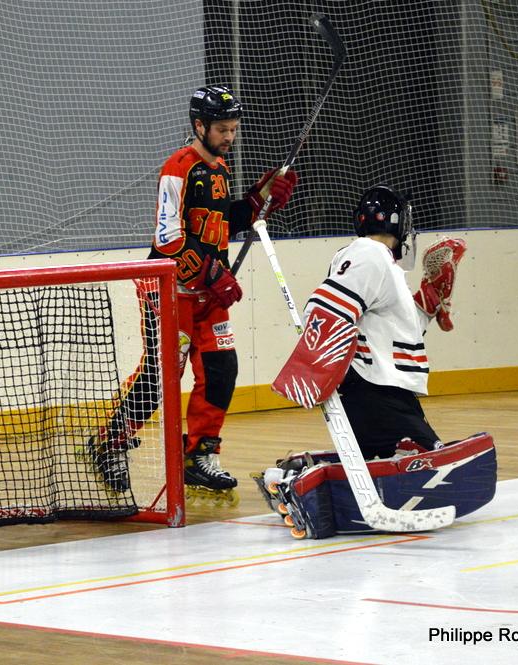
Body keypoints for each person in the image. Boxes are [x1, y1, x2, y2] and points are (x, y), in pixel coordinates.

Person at [90, 84, 297, 501]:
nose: (229, 137)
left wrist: (260, 198)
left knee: (222, 369)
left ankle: (199, 455)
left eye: (234, 129)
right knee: (161, 377)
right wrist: (211, 273)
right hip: (170, 290)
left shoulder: (219, 168)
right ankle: (109, 444)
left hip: (207, 294)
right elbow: (168, 238)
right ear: (199, 126)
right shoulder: (179, 167)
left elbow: (223, 221)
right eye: (222, 129)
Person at [259, 185, 495, 539]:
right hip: (377, 389)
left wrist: (429, 299)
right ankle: (299, 489)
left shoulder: (378, 262)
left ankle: (292, 480)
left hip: (374, 387)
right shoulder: (370, 255)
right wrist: (314, 366)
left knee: (376, 459)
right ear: (400, 224)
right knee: (426, 458)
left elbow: (390, 328)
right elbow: (326, 307)